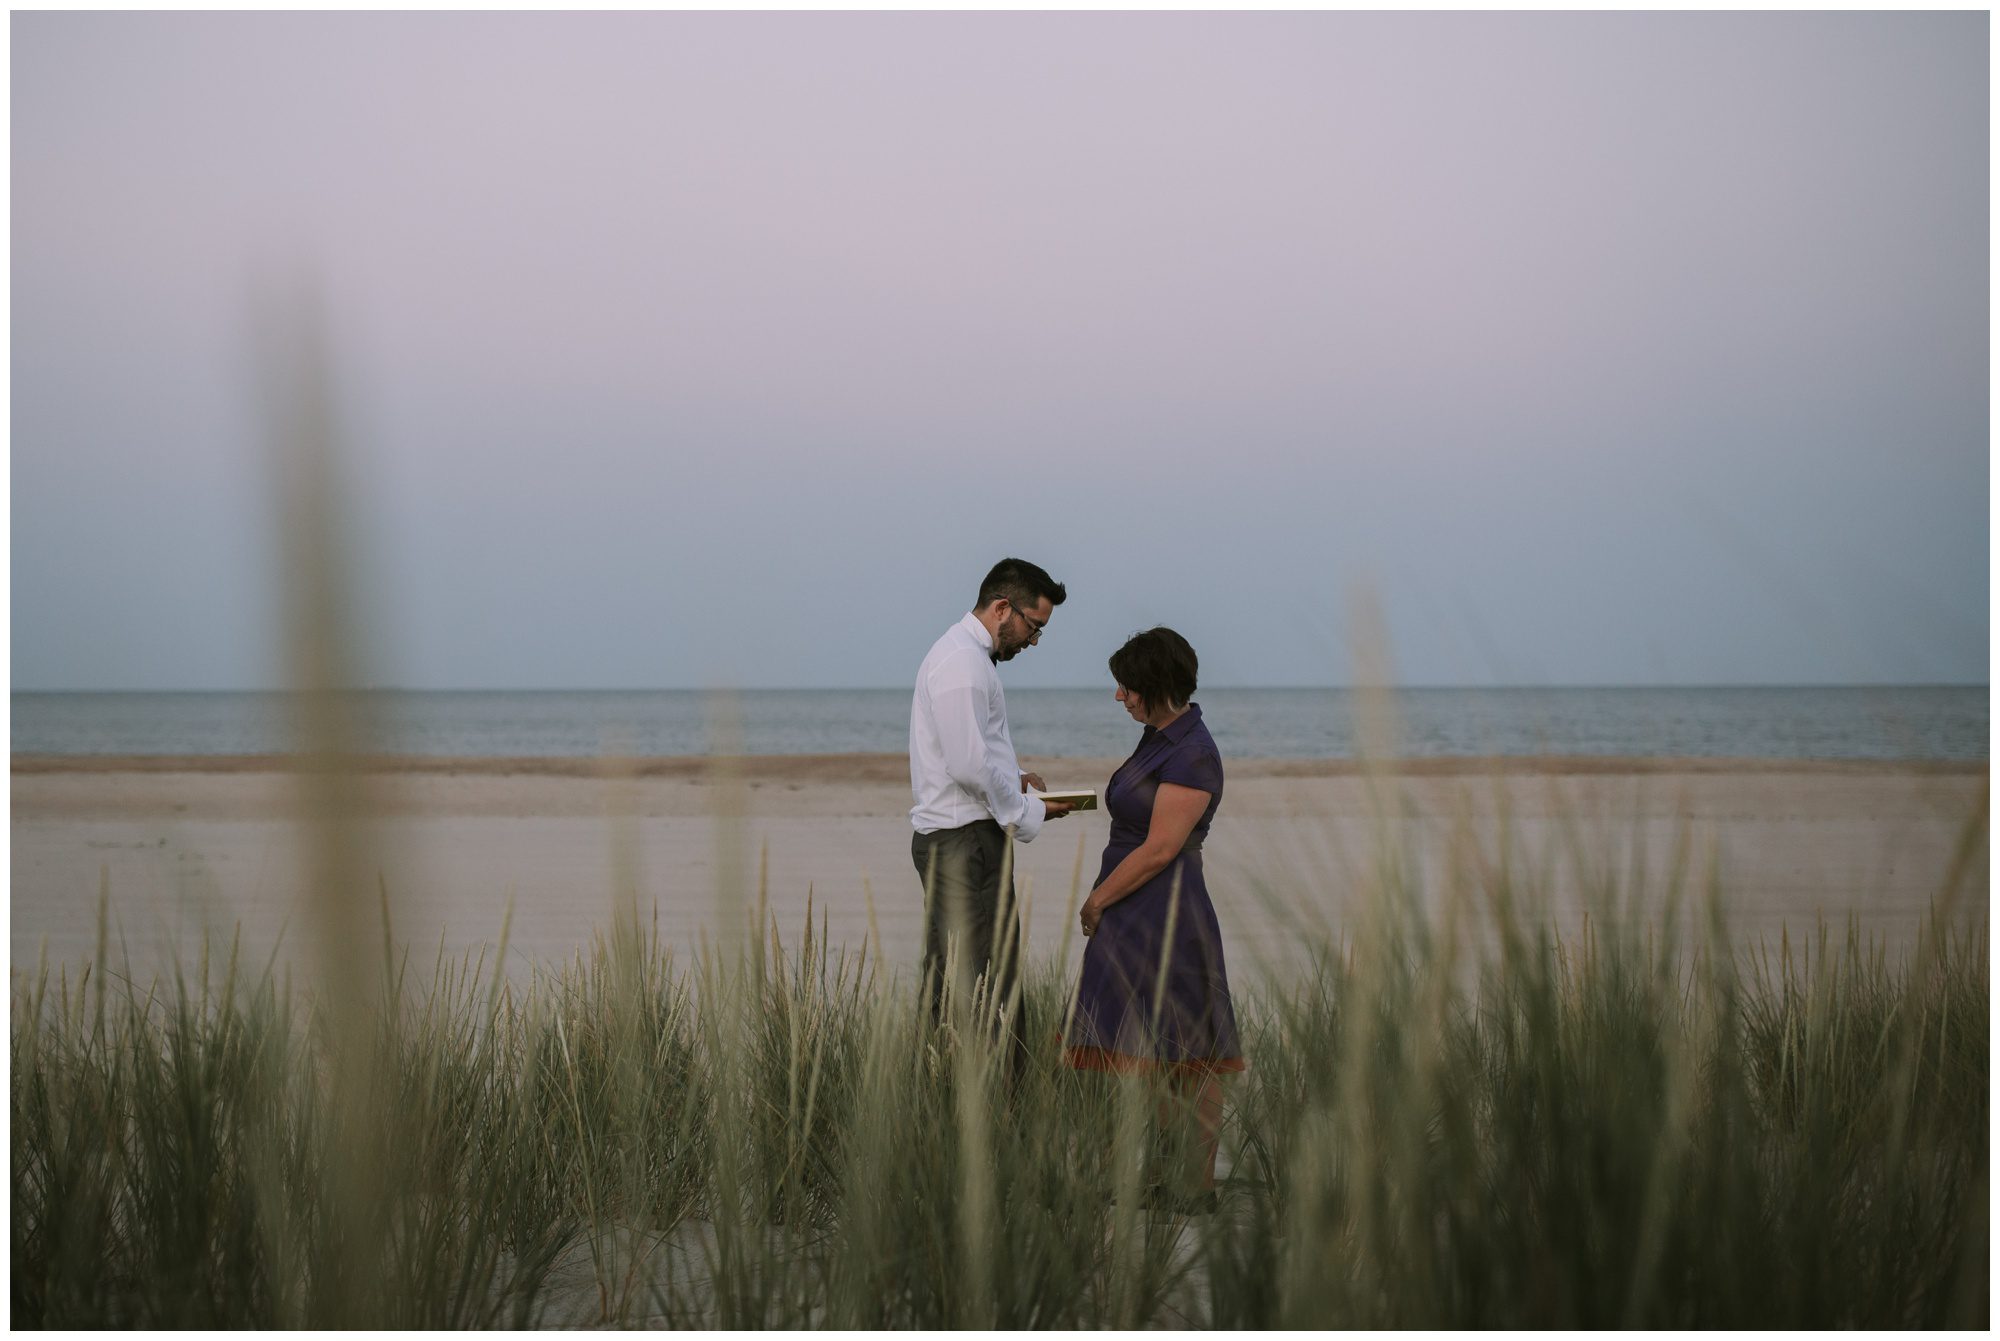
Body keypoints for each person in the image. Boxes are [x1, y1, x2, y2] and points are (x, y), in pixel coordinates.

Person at [1066, 626, 1243, 1212]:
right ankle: (1169, 1174)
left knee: (1190, 1044)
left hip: (1164, 905)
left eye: (1127, 685)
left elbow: (1162, 848)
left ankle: (1195, 1184)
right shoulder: (1158, 737)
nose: (1120, 696)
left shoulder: (1192, 751)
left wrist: (1096, 901)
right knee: (1151, 1042)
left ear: (1156, 685)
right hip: (1132, 903)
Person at [909, 558, 1074, 1057]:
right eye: (1034, 626)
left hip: (957, 840)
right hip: (966, 844)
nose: (1034, 641)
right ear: (1003, 608)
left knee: (950, 982)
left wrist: (1014, 779)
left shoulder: (964, 657)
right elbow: (966, 765)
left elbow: (968, 756)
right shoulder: (962, 663)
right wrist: (1027, 810)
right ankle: (999, 1115)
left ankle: (939, 1102)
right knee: (989, 988)